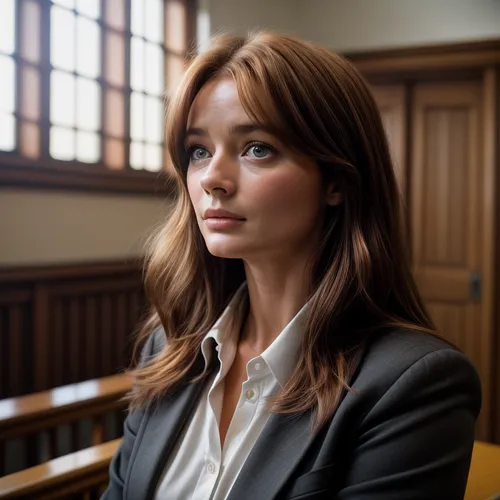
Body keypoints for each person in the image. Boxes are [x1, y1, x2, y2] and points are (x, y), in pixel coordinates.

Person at [102, 32, 481, 500]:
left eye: (256, 147)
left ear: (336, 182)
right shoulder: (170, 346)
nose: (212, 180)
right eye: (199, 150)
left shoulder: (414, 386)